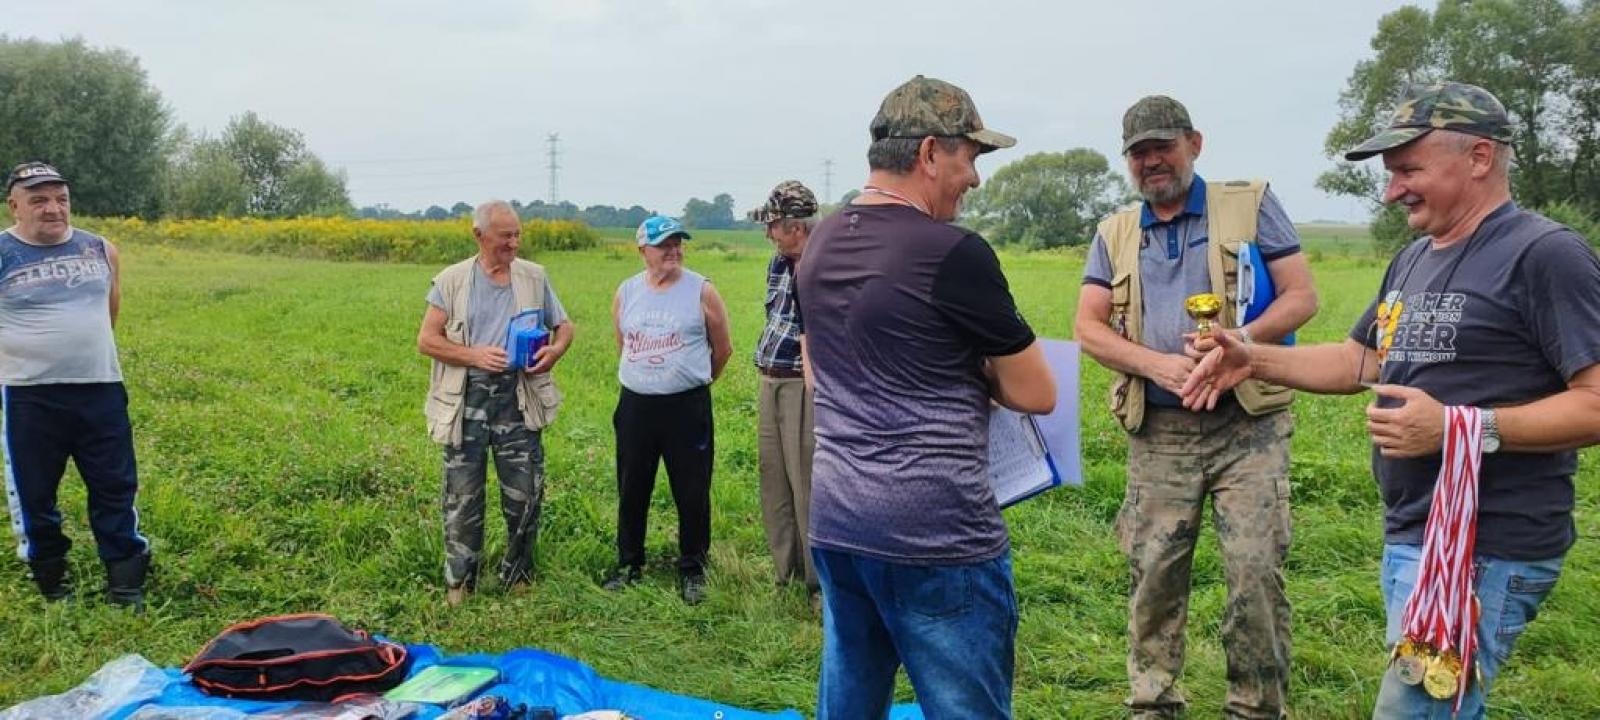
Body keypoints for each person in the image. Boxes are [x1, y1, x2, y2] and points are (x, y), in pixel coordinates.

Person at [1183, 81, 1600, 718]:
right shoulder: (1413, 259)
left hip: (1483, 545)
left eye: (1409, 170)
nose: (1392, 189)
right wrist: (1252, 356)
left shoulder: (1545, 256)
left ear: (1480, 158)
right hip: (1415, 535)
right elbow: (1363, 360)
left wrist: (1461, 426)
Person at [796, 75, 1057, 719]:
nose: (973, 178)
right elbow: (1037, 391)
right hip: (937, 533)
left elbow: (812, 372)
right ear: (930, 152)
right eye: (970, 158)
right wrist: (977, 373)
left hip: (839, 520)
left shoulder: (820, 243)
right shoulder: (954, 252)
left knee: (851, 697)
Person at [1073, 95, 1318, 719]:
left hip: (1248, 427)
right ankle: (1152, 705)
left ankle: (1256, 708)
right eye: (1138, 152)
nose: (1152, 161)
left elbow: (1300, 297)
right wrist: (1156, 365)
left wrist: (1240, 343)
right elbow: (1089, 327)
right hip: (1159, 431)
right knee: (1153, 575)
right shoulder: (1115, 233)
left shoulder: (1251, 203)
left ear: (1195, 144)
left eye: (1163, 146)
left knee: (1255, 575)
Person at [1, 161, 151, 609]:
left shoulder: (101, 249)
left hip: (100, 387)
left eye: (60, 198)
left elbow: (109, 311)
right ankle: (51, 578)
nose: (53, 209)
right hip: (28, 394)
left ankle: (126, 580)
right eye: (39, 199)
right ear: (14, 205)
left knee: (115, 484)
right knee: (34, 491)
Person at [417, 199, 574, 607]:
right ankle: (460, 581)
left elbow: (565, 326)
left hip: (518, 397)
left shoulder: (533, 277)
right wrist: (474, 355)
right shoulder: (450, 281)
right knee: (462, 495)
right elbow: (427, 340)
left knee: (525, 492)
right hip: (467, 398)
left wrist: (554, 352)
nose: (514, 243)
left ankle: (517, 573)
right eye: (505, 236)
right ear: (479, 235)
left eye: (517, 234)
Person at [602, 215, 732, 605]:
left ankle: (692, 568)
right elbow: (622, 342)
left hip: (685, 406)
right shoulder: (626, 292)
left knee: (692, 489)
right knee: (632, 485)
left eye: (678, 243)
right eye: (664, 245)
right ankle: (629, 562)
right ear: (643, 250)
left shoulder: (702, 290)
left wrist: (693, 381)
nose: (674, 251)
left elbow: (722, 349)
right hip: (637, 406)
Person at [747, 180, 821, 608]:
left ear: (796, 227)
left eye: (773, 225)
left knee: (807, 483)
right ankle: (785, 573)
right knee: (774, 479)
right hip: (770, 379)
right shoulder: (778, 264)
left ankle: (818, 585)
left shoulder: (826, 265)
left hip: (803, 383)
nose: (769, 234)